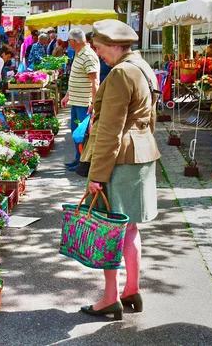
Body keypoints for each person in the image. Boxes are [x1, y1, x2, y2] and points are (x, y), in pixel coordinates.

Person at [79, 19, 161, 320]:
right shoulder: (142, 66)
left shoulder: (119, 74)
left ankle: (111, 297)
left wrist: (97, 176)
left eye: (99, 49)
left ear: (114, 45)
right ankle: (131, 290)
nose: (98, 55)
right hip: (141, 153)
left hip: (120, 159)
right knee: (130, 227)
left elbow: (110, 131)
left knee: (109, 229)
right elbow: (151, 117)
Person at [61, 28, 99, 170]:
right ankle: (78, 159)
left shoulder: (88, 55)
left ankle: (84, 163)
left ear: (74, 41)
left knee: (83, 135)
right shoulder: (79, 54)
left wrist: (93, 103)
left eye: (69, 41)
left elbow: (95, 82)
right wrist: (67, 95)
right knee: (76, 133)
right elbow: (76, 78)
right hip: (76, 102)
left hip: (85, 103)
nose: (68, 44)